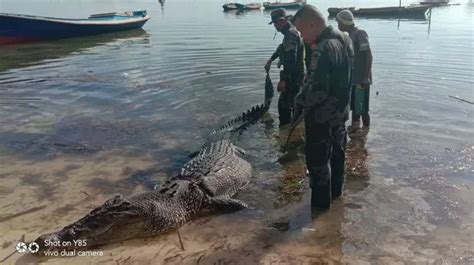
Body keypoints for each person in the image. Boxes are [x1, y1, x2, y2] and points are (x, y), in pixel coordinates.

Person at [292, 5, 354, 209]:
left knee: (318, 168)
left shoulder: (323, 48)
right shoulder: (345, 38)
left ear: (312, 24)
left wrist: (299, 103)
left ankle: (319, 217)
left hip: (322, 119)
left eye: (301, 31)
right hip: (341, 115)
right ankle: (336, 204)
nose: (301, 36)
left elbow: (318, 91)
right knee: (337, 160)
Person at [265, 8, 305, 126]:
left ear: (283, 21)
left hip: (294, 76)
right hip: (297, 75)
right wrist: (271, 60)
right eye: (274, 23)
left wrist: (283, 80)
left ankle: (286, 132)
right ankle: (295, 128)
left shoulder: (291, 34)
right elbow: (282, 48)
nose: (275, 26)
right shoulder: (291, 31)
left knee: (284, 107)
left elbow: (291, 60)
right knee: (294, 104)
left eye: (276, 23)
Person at [336, 10, 373, 127]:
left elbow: (369, 55)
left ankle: (366, 132)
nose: (337, 25)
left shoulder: (360, 33)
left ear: (344, 22)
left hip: (361, 79)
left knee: (362, 109)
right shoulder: (348, 36)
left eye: (338, 22)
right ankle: (357, 135)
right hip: (353, 79)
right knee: (355, 109)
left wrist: (365, 77)